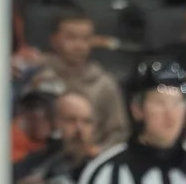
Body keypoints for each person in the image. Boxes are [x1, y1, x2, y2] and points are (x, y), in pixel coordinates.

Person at [36, 8, 128, 154]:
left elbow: (118, 133)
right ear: (54, 40)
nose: (79, 45)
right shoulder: (39, 78)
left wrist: (99, 152)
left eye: (85, 38)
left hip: (92, 157)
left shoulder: (105, 84)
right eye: (71, 38)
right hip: (41, 158)